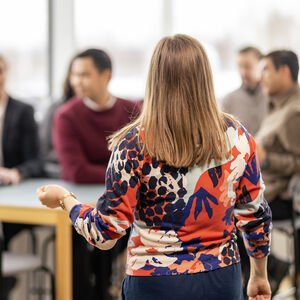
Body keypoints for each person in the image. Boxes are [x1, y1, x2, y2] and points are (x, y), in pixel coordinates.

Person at [38, 34, 272, 300]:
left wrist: (65, 200)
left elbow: (105, 233)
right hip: (221, 279)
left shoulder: (132, 145)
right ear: (205, 78)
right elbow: (255, 214)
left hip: (154, 283)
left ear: (154, 79)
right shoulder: (237, 136)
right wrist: (259, 274)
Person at [53, 48, 141, 184]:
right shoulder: (66, 116)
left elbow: (143, 162)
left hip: (127, 194)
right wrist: (127, 175)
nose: (77, 82)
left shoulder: (132, 110)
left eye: (84, 75)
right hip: (81, 196)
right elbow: (77, 172)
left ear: (107, 76)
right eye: (74, 75)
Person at [256, 50, 300, 293]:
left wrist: (268, 160)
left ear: (284, 71)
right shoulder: (277, 106)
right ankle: (274, 266)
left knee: (229, 214)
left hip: (279, 196)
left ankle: (269, 271)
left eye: (266, 70)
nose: (260, 76)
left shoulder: (294, 113)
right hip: (263, 190)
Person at [0, 54, 43, 299]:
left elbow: (38, 161)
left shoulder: (22, 112)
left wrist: (17, 173)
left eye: (0, 70)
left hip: (17, 197)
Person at [39, 58, 77, 178]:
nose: (79, 81)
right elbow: (44, 154)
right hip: (61, 174)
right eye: (76, 75)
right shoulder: (56, 110)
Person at [222, 46, 268, 136]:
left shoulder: (274, 97)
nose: (243, 72)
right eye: (239, 67)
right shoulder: (229, 100)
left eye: (248, 66)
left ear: (260, 64)